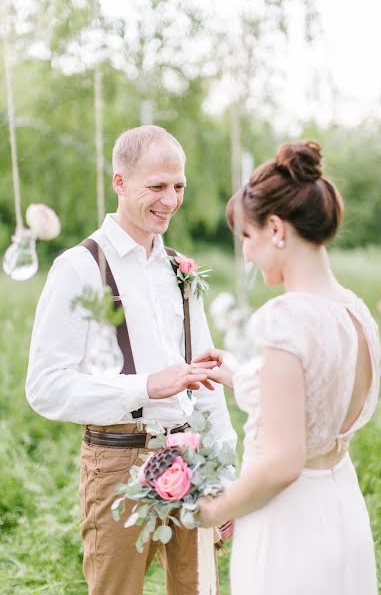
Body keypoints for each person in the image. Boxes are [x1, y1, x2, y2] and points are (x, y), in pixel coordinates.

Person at [26, 125, 236, 595]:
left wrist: (225, 476)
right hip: (117, 461)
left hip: (192, 457)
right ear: (119, 183)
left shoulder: (180, 271)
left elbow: (206, 376)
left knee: (198, 589)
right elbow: (45, 387)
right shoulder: (79, 268)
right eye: (156, 186)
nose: (170, 200)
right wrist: (143, 386)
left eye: (178, 186)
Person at [196, 140, 380, 595]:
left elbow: (282, 464)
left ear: (276, 228)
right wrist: (243, 376)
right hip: (343, 512)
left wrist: (211, 511)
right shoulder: (354, 312)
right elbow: (317, 400)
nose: (247, 254)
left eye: (247, 237)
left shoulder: (284, 319)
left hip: (289, 529)